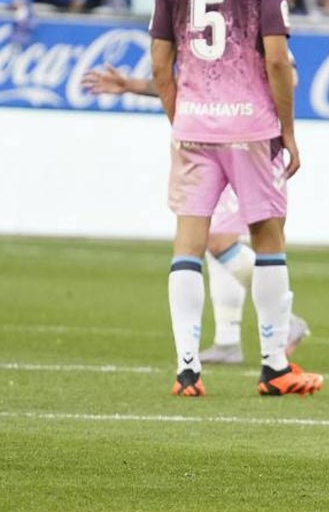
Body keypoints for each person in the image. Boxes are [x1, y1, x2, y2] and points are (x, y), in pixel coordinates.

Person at [147, 0, 322, 398]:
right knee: (268, 239)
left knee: (188, 244)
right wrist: (287, 131)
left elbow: (160, 63)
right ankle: (274, 368)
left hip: (195, 126)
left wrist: (181, 116)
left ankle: (186, 371)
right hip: (251, 127)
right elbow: (275, 60)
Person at [81, 63, 313, 363]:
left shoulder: (255, 23)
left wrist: (244, 101)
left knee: (218, 239)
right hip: (209, 145)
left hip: (246, 143)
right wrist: (131, 85)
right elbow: (192, 88)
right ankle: (228, 340)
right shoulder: (212, 40)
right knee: (211, 239)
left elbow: (288, 74)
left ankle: (285, 321)